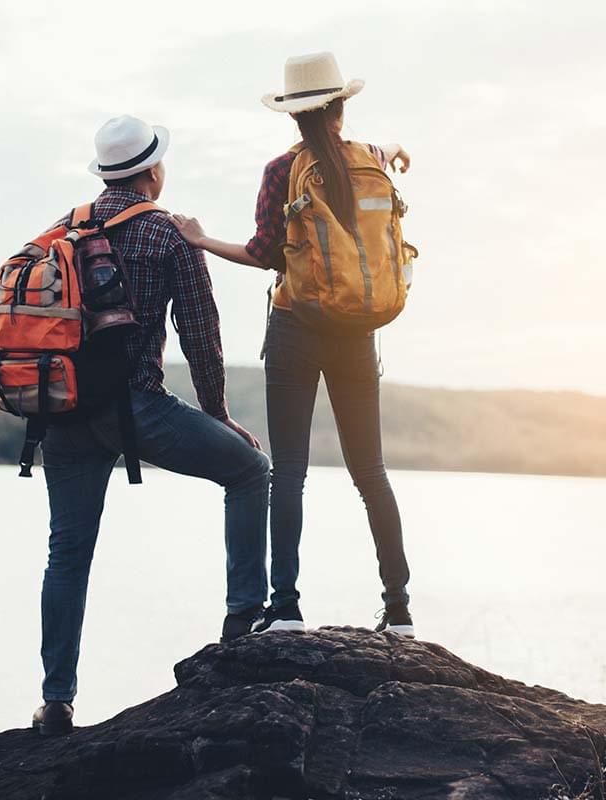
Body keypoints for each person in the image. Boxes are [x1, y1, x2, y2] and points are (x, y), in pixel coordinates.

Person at [32, 115, 271, 736]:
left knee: (67, 555)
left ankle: (56, 700)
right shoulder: (167, 235)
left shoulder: (69, 225)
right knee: (250, 471)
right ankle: (244, 623)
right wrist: (217, 413)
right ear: (152, 172)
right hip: (137, 408)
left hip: (63, 413)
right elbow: (201, 335)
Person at [172, 52, 414, 639]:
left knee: (290, 472)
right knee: (371, 471)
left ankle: (285, 608)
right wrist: (397, 147)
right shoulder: (370, 161)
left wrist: (201, 239)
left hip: (296, 328)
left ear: (293, 115)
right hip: (358, 331)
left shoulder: (282, 171)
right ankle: (400, 610)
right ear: (341, 106)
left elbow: (264, 255)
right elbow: (387, 152)